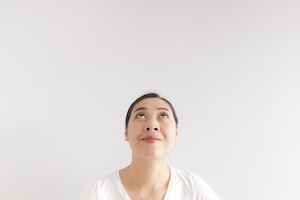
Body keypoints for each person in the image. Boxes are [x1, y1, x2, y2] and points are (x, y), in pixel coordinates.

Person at [79, 92, 220, 200]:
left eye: (163, 115)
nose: (152, 125)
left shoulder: (194, 190)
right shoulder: (99, 193)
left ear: (176, 132)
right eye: (141, 115)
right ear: (126, 132)